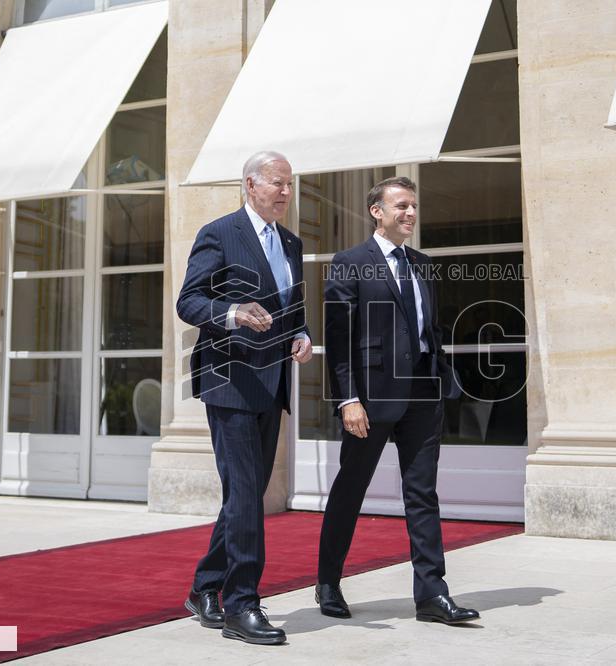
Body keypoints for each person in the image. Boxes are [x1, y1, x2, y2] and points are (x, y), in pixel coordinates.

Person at [317, 176, 480, 625]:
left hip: (424, 394)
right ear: (377, 211)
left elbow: (429, 328)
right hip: (371, 399)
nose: (410, 213)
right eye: (401, 206)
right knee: (351, 489)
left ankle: (431, 595)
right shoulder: (350, 263)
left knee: (422, 494)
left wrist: (441, 378)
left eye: (413, 206)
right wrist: (348, 399)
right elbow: (339, 339)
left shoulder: (423, 264)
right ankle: (328, 582)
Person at [176, 150, 312, 645]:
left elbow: (292, 307)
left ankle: (204, 587)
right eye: (277, 183)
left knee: (245, 495)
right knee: (246, 494)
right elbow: (189, 301)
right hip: (230, 381)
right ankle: (241, 605)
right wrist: (233, 313)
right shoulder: (219, 233)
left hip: (272, 384)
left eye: (290, 184)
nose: (286, 192)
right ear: (251, 185)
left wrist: (302, 335)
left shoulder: (291, 243)